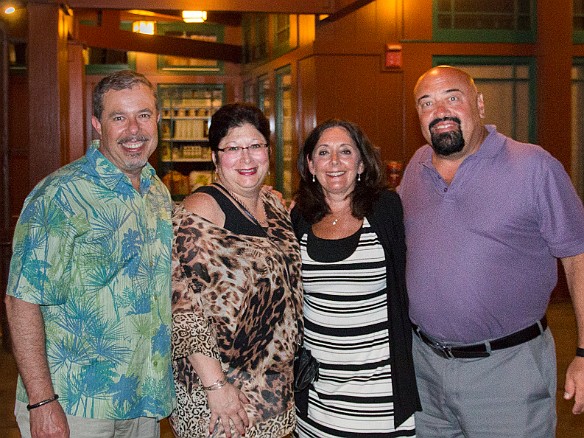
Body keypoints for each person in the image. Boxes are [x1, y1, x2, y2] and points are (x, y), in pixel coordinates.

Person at [398, 65, 584, 437]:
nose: (440, 111)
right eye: (426, 103)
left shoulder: (534, 167)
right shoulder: (415, 168)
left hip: (508, 373)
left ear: (479, 104)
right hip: (424, 371)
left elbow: (578, 259)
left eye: (453, 97)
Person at [4, 69, 174, 438]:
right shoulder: (61, 196)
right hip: (76, 405)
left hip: (143, 398)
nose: (134, 130)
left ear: (158, 119)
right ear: (97, 124)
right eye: (119, 117)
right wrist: (42, 402)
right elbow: (22, 301)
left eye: (143, 115)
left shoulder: (156, 191)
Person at [170, 102, 303, 438]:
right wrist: (216, 386)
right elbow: (183, 309)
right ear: (215, 158)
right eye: (233, 148)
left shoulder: (273, 203)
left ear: (268, 152)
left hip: (274, 388)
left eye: (255, 146)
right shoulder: (202, 210)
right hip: (222, 395)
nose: (246, 159)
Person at [291, 119, 420, 437]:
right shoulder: (299, 218)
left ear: (361, 163)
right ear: (310, 165)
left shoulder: (386, 209)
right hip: (317, 396)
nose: (334, 162)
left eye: (345, 151)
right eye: (323, 152)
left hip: (380, 398)